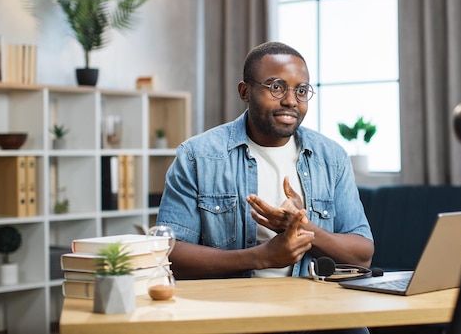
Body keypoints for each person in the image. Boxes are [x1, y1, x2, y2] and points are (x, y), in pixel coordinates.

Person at [156, 42, 374, 333]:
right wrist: (262, 256)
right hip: (231, 314)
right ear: (245, 91)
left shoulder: (331, 158)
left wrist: (306, 228)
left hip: (318, 312)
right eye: (276, 87)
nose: (290, 101)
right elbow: (171, 254)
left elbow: (363, 254)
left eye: (301, 90)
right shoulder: (199, 155)